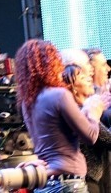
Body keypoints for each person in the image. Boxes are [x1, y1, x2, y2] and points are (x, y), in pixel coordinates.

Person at [15, 39, 109, 193]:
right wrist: (93, 111)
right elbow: (91, 136)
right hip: (68, 183)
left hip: (44, 183)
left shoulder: (27, 102)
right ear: (51, 62)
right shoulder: (59, 95)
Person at [62, 64, 111, 193]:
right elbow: (109, 140)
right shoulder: (80, 112)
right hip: (84, 182)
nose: (90, 79)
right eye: (83, 78)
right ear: (73, 88)